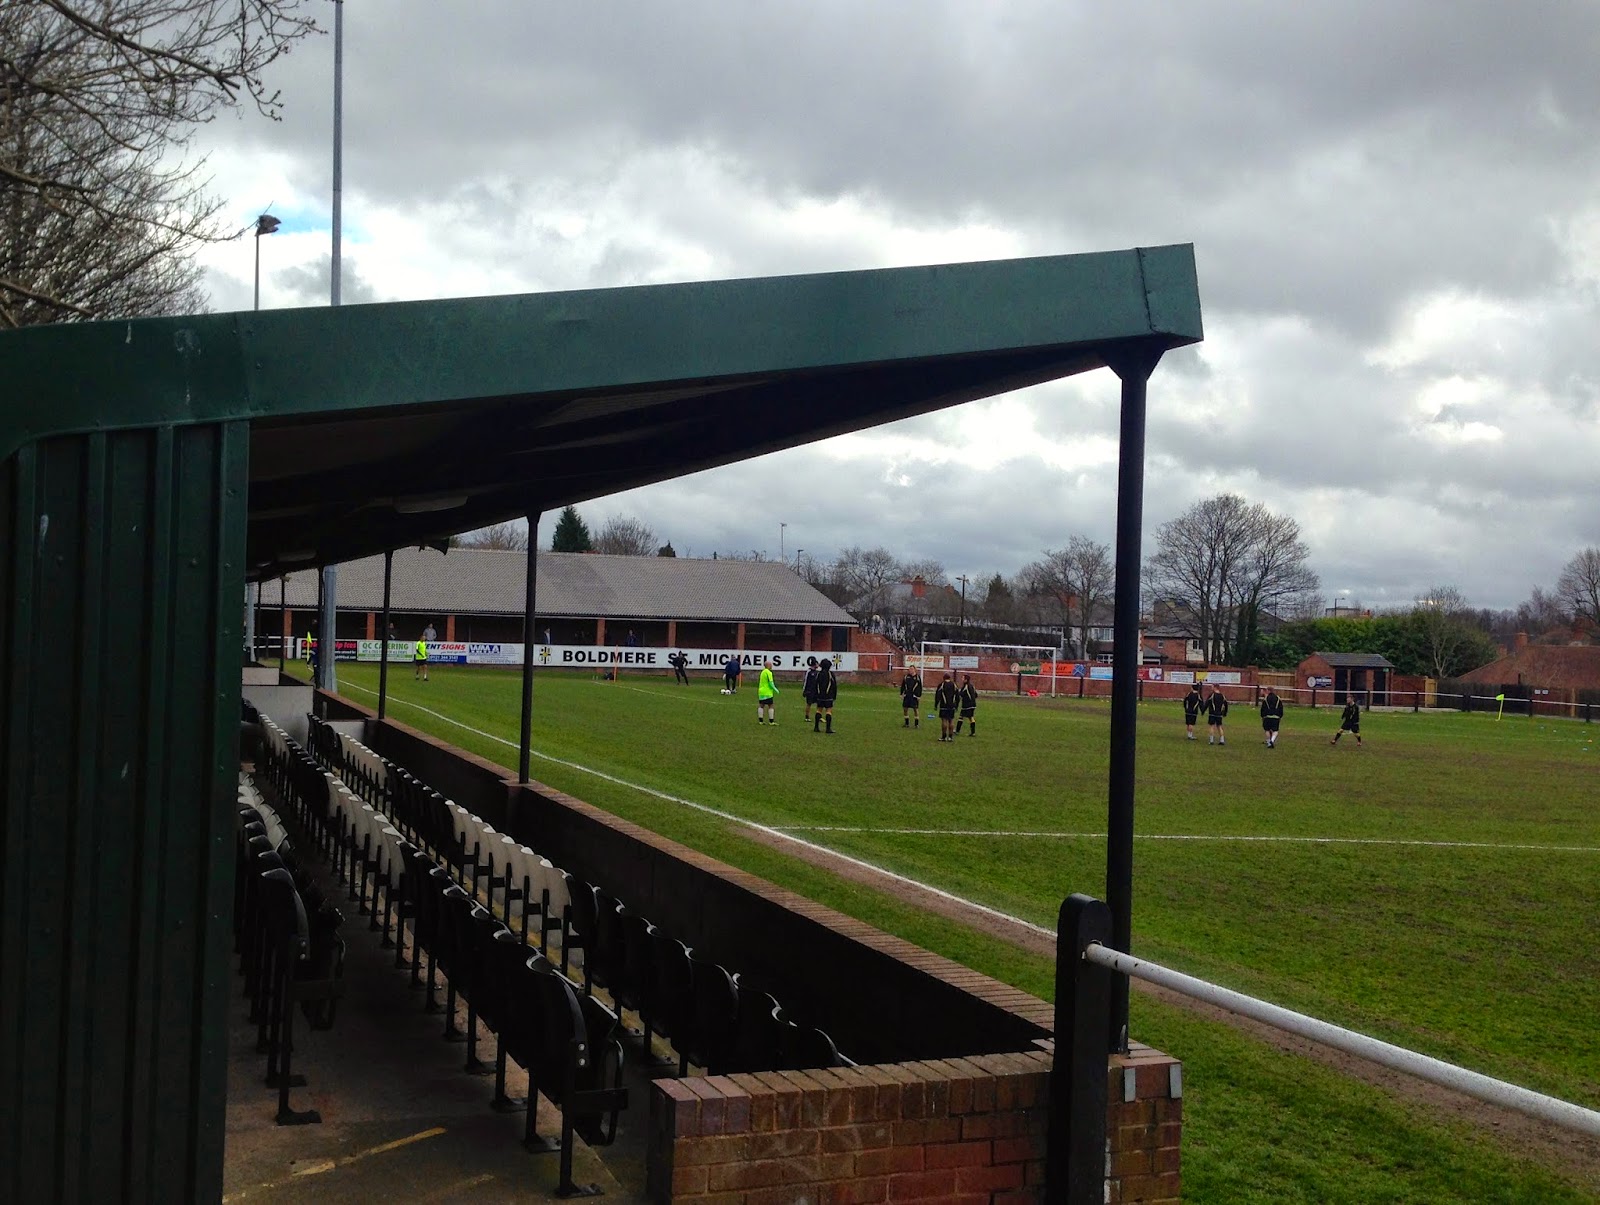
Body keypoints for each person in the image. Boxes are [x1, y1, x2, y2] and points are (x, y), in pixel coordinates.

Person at [812, 658, 838, 733]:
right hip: (828, 696)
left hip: (820, 696)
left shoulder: (818, 674)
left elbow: (815, 685)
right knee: (828, 711)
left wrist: (815, 695)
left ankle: (816, 727)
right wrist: (834, 696)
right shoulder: (830, 674)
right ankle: (828, 729)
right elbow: (834, 686)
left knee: (819, 710)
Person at [933, 673, 959, 742]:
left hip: (944, 705)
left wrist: (936, 705)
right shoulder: (954, 685)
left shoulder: (942, 685)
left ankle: (943, 737)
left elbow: (937, 695)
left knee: (944, 720)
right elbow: (957, 696)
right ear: (949, 678)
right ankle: (950, 737)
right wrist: (956, 705)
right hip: (952, 705)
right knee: (951, 720)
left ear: (943, 678)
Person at [757, 657, 779, 724]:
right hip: (767, 692)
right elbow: (770, 683)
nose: (771, 666)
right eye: (771, 664)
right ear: (768, 665)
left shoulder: (762, 672)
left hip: (761, 692)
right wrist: (775, 689)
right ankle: (771, 721)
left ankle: (760, 721)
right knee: (771, 705)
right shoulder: (769, 672)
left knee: (761, 705)